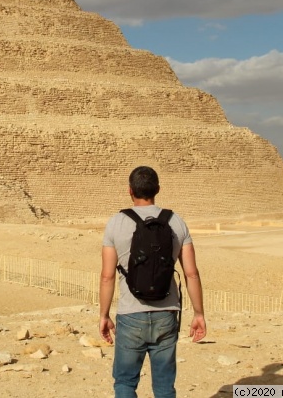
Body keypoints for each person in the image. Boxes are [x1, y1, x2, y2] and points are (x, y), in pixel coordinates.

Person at [99, 166, 206, 398]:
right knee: (164, 387)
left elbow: (107, 275)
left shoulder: (116, 223)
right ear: (157, 189)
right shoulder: (176, 222)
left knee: (125, 383)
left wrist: (104, 316)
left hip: (130, 314)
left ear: (130, 191)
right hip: (167, 313)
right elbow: (192, 274)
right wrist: (199, 314)